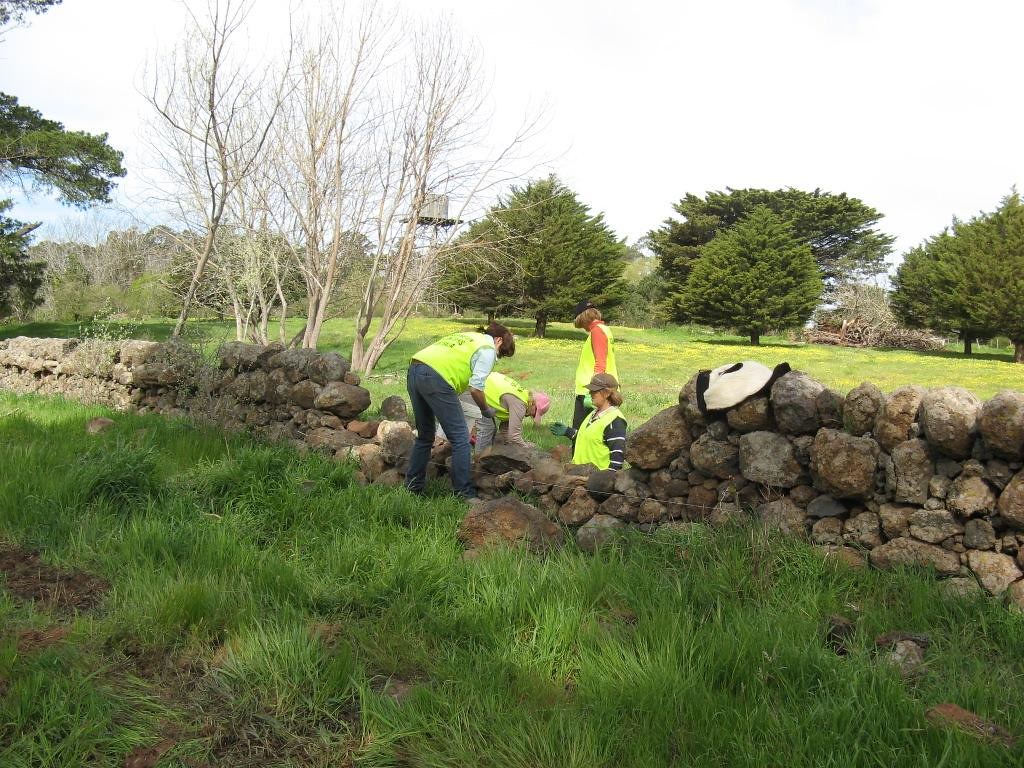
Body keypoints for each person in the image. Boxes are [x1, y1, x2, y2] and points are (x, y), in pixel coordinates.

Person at [405, 322, 515, 500]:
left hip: (415, 369)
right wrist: (486, 410)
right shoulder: (487, 349)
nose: (498, 357)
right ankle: (464, 493)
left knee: (425, 436)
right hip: (436, 378)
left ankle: (412, 487)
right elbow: (475, 389)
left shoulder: (468, 337)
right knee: (461, 440)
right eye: (501, 353)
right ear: (499, 340)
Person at [549, 373, 627, 471]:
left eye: (594, 391)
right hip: (579, 475)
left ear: (606, 393)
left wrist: (606, 481)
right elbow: (590, 439)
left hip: (597, 480)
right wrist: (568, 432)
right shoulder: (593, 413)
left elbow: (617, 459)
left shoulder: (615, 420)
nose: (590, 393)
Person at [571, 299, 618, 436]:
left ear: (582, 317)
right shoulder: (604, 329)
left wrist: (594, 390)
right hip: (601, 388)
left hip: (591, 391)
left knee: (580, 432)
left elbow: (600, 362)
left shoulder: (597, 332)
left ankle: (578, 457)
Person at [473, 372, 551, 452]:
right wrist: (529, 451)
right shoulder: (520, 405)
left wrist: (521, 445)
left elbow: (505, 430)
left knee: (491, 430)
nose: (530, 416)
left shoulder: (522, 397)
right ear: (533, 404)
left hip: (480, 383)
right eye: (534, 414)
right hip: (475, 390)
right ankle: (478, 460)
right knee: (487, 428)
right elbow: (514, 437)